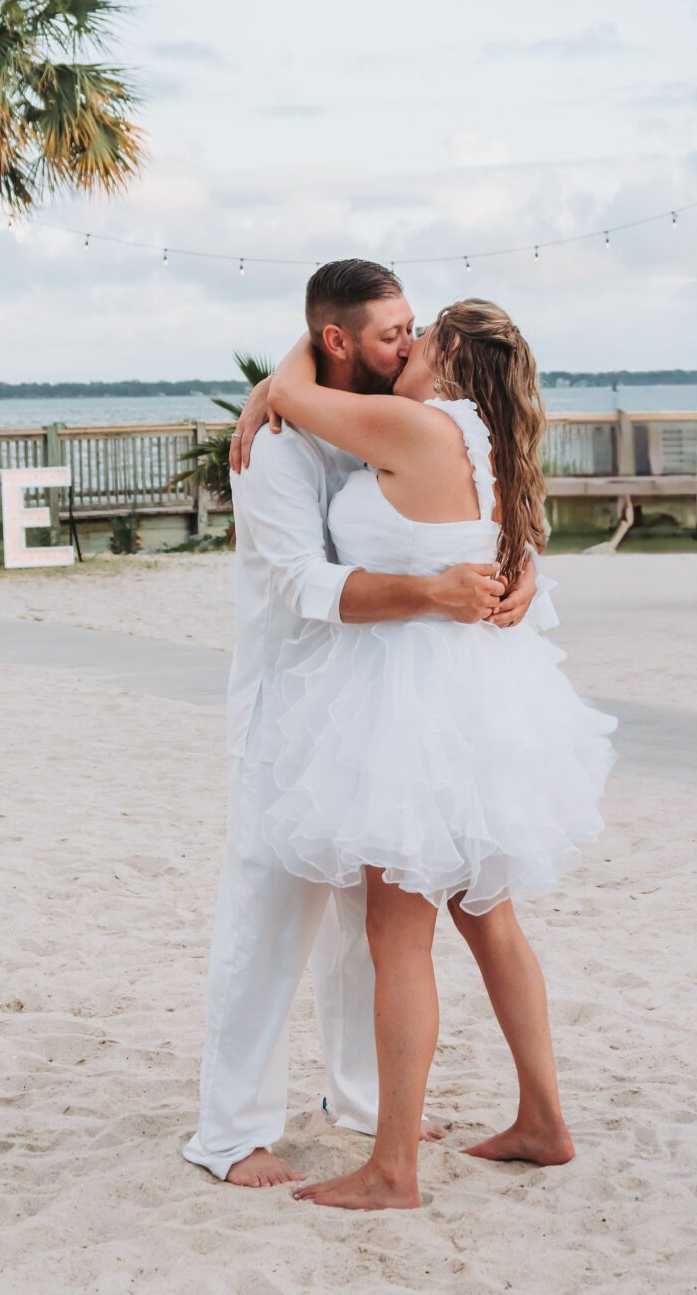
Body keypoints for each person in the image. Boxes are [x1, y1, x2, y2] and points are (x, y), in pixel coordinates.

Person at [182, 261, 549, 1187]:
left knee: (370, 928)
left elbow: (473, 525)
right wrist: (279, 384)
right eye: (391, 332)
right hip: (292, 697)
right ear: (336, 340)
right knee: (269, 913)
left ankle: (366, 1105)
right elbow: (302, 586)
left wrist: (513, 569)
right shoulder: (280, 448)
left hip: (387, 710)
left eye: (416, 331)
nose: (405, 343)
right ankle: (232, 1132)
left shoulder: (384, 419)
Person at [255, 297, 617, 1209]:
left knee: (397, 935)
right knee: (488, 917)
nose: (407, 346)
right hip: (481, 708)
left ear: (451, 358)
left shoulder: (414, 426)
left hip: (410, 709)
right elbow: (515, 554)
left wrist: (309, 338)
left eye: (424, 336)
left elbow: (293, 398)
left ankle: (392, 1170)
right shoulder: (496, 447)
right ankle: (544, 1122)